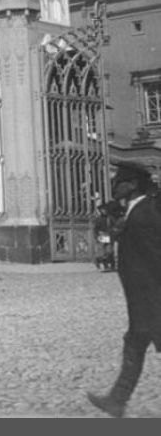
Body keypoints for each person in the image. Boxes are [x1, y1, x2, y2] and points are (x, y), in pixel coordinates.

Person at [87, 161, 161, 418]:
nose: (114, 184)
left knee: (136, 343)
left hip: (152, 297)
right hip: (143, 299)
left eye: (119, 181)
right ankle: (117, 400)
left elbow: (156, 256)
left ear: (131, 185)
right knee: (134, 344)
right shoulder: (135, 210)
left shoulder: (143, 214)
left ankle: (117, 400)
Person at [93, 203, 116, 272]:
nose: (104, 211)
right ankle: (102, 264)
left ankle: (112, 265)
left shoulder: (110, 218)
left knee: (110, 251)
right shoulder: (98, 219)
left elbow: (114, 226)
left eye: (105, 210)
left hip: (109, 235)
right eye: (102, 210)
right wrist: (96, 236)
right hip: (102, 235)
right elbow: (95, 229)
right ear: (100, 211)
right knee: (102, 252)